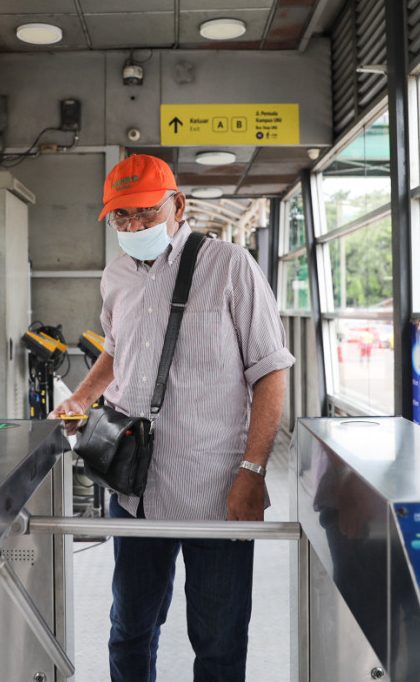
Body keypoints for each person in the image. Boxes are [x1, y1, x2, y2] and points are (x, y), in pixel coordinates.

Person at [49, 154, 293, 682]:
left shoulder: (230, 266)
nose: (134, 227)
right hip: (133, 490)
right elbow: (117, 350)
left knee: (219, 641)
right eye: (122, 218)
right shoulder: (115, 276)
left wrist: (252, 473)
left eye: (144, 213)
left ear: (177, 206)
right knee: (130, 629)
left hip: (216, 491)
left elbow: (271, 372)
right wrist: (83, 397)